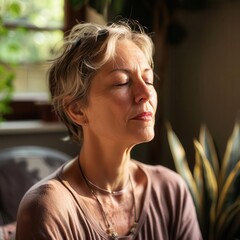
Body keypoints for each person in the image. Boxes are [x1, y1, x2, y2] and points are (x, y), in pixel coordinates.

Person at [16, 19, 202, 239]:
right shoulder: (48, 208)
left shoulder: (171, 191)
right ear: (77, 110)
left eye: (148, 79)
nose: (145, 93)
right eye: (122, 82)